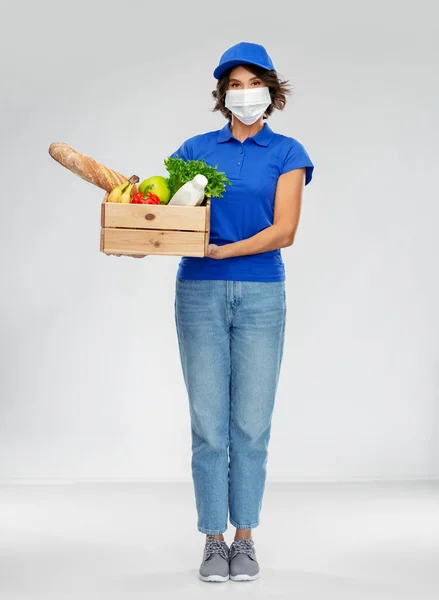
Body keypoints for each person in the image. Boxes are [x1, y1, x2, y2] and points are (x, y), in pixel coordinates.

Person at [170, 41, 314, 583]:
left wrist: (225, 250)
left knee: (250, 425)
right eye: (233, 85)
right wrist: (144, 236)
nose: (243, 93)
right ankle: (212, 539)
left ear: (271, 92)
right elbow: (174, 213)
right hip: (198, 294)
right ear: (222, 95)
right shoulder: (194, 149)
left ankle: (245, 538)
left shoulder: (288, 152)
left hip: (260, 296)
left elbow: (285, 231)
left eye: (251, 83)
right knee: (209, 425)